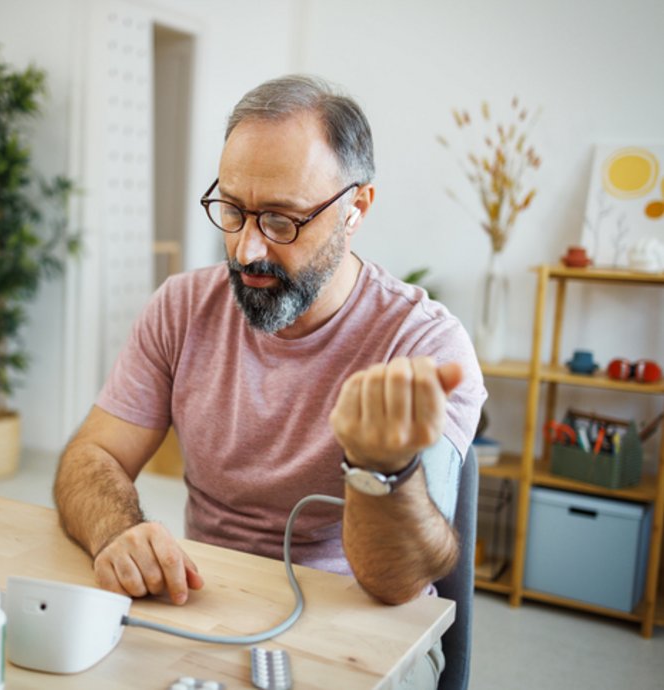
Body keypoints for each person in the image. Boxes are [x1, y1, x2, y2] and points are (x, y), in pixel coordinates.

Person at [54, 75, 486, 688]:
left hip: (361, 632)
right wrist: (116, 533)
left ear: (356, 209)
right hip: (209, 606)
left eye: (282, 220)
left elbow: (397, 584)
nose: (246, 250)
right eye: (233, 211)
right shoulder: (181, 307)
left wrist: (380, 469)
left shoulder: (421, 346)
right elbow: (90, 454)